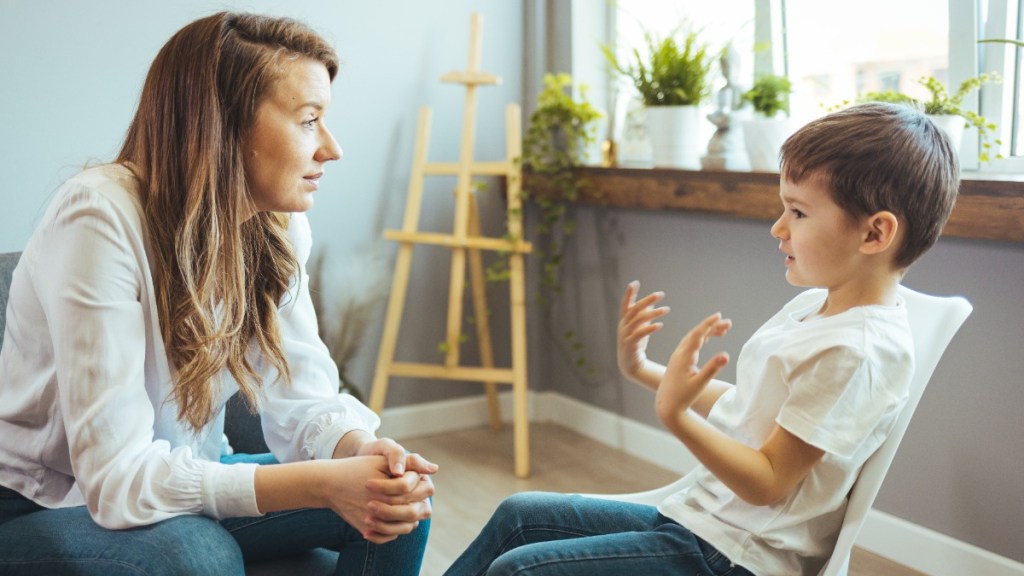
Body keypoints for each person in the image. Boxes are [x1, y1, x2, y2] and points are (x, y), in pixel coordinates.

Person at [0, 11, 436, 576]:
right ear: (221, 125)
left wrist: (357, 453)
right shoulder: (98, 218)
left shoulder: (272, 226)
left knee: (398, 498)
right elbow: (115, 482)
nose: (331, 148)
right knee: (195, 554)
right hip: (42, 504)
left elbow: (304, 398)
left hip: (175, 480)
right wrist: (323, 482)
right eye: (309, 120)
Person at [443, 102, 960, 576]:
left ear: (875, 234)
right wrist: (645, 370)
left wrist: (677, 417)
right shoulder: (818, 306)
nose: (778, 228)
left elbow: (768, 482)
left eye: (798, 213)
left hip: (736, 557)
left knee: (520, 571)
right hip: (701, 522)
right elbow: (754, 412)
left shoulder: (858, 352)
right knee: (518, 517)